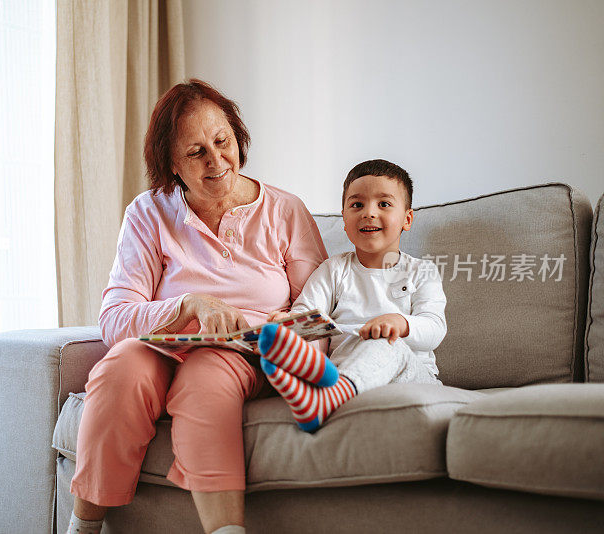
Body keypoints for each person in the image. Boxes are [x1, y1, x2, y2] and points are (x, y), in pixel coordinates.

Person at [66, 79, 327, 534]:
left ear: (237, 135)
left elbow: (321, 309)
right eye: (196, 152)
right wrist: (189, 304)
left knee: (206, 375)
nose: (216, 160)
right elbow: (114, 319)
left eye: (222, 141)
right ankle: (82, 528)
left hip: (247, 353)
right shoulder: (148, 213)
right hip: (165, 344)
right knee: (120, 367)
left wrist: (290, 326)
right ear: (171, 165)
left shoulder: (287, 211)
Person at [257, 159, 447, 432]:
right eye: (357, 205)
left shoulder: (421, 271)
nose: (369, 213)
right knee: (292, 335)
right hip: (343, 372)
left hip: (411, 375)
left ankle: (326, 400)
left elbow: (434, 327)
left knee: (386, 343)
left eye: (384, 204)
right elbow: (308, 312)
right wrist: (287, 322)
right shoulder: (333, 269)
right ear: (344, 219)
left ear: (407, 219)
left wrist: (400, 323)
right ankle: (312, 379)